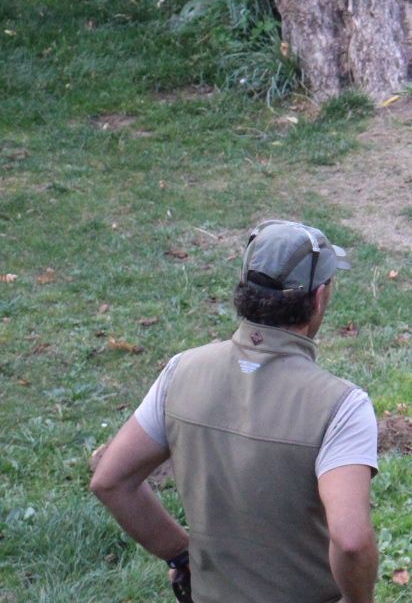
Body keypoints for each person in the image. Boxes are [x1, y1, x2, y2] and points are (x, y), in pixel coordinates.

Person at [90, 219, 379, 603]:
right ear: (319, 297)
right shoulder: (342, 406)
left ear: (244, 288)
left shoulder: (180, 372)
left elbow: (111, 480)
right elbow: (351, 540)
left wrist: (181, 553)